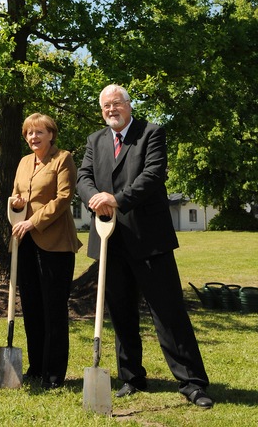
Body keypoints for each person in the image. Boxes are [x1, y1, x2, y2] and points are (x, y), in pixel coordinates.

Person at [77, 85, 214, 410]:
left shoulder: (151, 133)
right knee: (121, 315)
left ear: (128, 105)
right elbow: (83, 176)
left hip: (148, 239)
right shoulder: (95, 141)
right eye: (106, 106)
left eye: (116, 104)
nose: (112, 110)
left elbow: (153, 175)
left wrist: (117, 199)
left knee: (168, 314)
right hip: (109, 240)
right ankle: (131, 377)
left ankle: (192, 383)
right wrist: (93, 197)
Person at [10, 112, 81, 389]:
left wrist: (32, 221)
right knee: (31, 308)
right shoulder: (24, 162)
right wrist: (17, 205)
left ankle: (53, 374)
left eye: (39, 132)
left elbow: (64, 198)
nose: (33, 137)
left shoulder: (63, 158)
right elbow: (17, 196)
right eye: (29, 133)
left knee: (53, 309)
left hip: (55, 244)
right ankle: (36, 367)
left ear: (51, 134)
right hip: (25, 243)